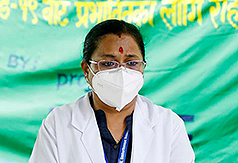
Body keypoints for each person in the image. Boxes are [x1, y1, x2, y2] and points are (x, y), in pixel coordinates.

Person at [29, 19, 195, 163]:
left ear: (143, 67)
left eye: (131, 63)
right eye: (109, 64)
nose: (122, 72)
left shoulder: (169, 126)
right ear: (86, 70)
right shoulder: (58, 124)